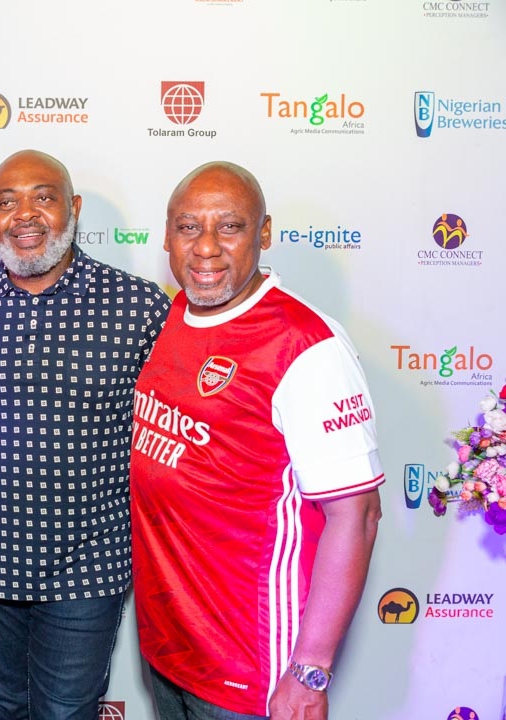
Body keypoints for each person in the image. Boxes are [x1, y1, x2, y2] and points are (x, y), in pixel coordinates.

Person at [130, 161, 383, 720]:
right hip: (171, 646)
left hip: (253, 667)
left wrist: (310, 671)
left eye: (230, 226)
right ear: (167, 236)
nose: (206, 248)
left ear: (264, 234)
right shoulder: (177, 314)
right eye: (189, 227)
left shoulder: (305, 345)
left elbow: (357, 515)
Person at [0, 149, 171, 720]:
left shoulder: (139, 307)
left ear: (73, 207)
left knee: (66, 711)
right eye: (6, 202)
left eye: (43, 197)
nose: (25, 214)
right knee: (8, 704)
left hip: (89, 562)